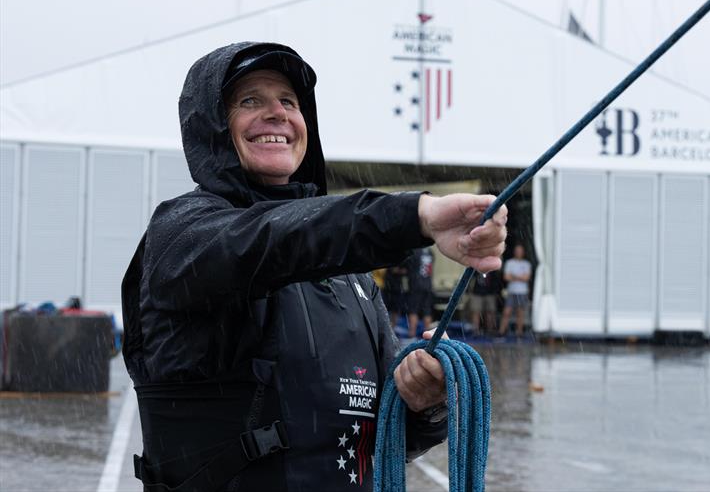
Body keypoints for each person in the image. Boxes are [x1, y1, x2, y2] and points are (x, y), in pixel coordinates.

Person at [121, 42, 507, 492]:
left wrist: (423, 402)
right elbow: (270, 240)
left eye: (289, 101)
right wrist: (413, 216)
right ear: (212, 126)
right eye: (250, 101)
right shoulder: (183, 236)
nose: (278, 114)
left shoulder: (350, 277)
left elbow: (386, 436)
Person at [498, 244, 532, 337]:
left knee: (520, 313)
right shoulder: (510, 262)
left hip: (522, 292)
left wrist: (513, 276)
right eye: (517, 251)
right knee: (506, 312)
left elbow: (526, 278)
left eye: (520, 251)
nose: (518, 253)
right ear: (514, 252)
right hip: (512, 291)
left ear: (523, 253)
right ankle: (501, 331)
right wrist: (520, 276)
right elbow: (506, 277)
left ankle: (519, 332)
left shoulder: (526, 264)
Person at [405, 247, 435, 336]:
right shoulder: (430, 252)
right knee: (427, 310)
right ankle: (428, 335)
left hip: (416, 284)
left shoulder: (415, 251)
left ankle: (412, 334)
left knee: (413, 310)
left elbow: (407, 266)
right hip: (428, 284)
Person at [468, 270, 502, 336]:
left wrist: (496, 291)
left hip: (490, 292)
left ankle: (490, 330)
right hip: (477, 292)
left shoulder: (492, 268)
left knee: (490, 312)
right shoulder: (475, 268)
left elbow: (496, 280)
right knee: (476, 312)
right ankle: (476, 330)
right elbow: (471, 279)